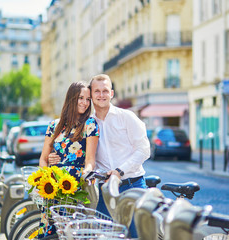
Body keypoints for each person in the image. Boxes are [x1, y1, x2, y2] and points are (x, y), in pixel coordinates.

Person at [49, 74, 150, 238]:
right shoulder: (87, 124)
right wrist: (55, 157)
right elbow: (75, 152)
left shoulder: (127, 117)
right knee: (101, 235)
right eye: (97, 91)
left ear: (112, 93)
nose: (101, 95)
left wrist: (119, 171)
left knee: (136, 235)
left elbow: (144, 149)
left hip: (132, 184)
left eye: (105, 91)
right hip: (106, 189)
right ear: (91, 95)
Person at [40, 81, 99, 179]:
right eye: (81, 98)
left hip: (78, 183)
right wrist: (48, 179)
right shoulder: (53, 125)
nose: (85, 103)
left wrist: (86, 172)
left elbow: (90, 160)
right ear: (71, 99)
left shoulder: (90, 124)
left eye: (88, 99)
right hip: (54, 185)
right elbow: (43, 159)